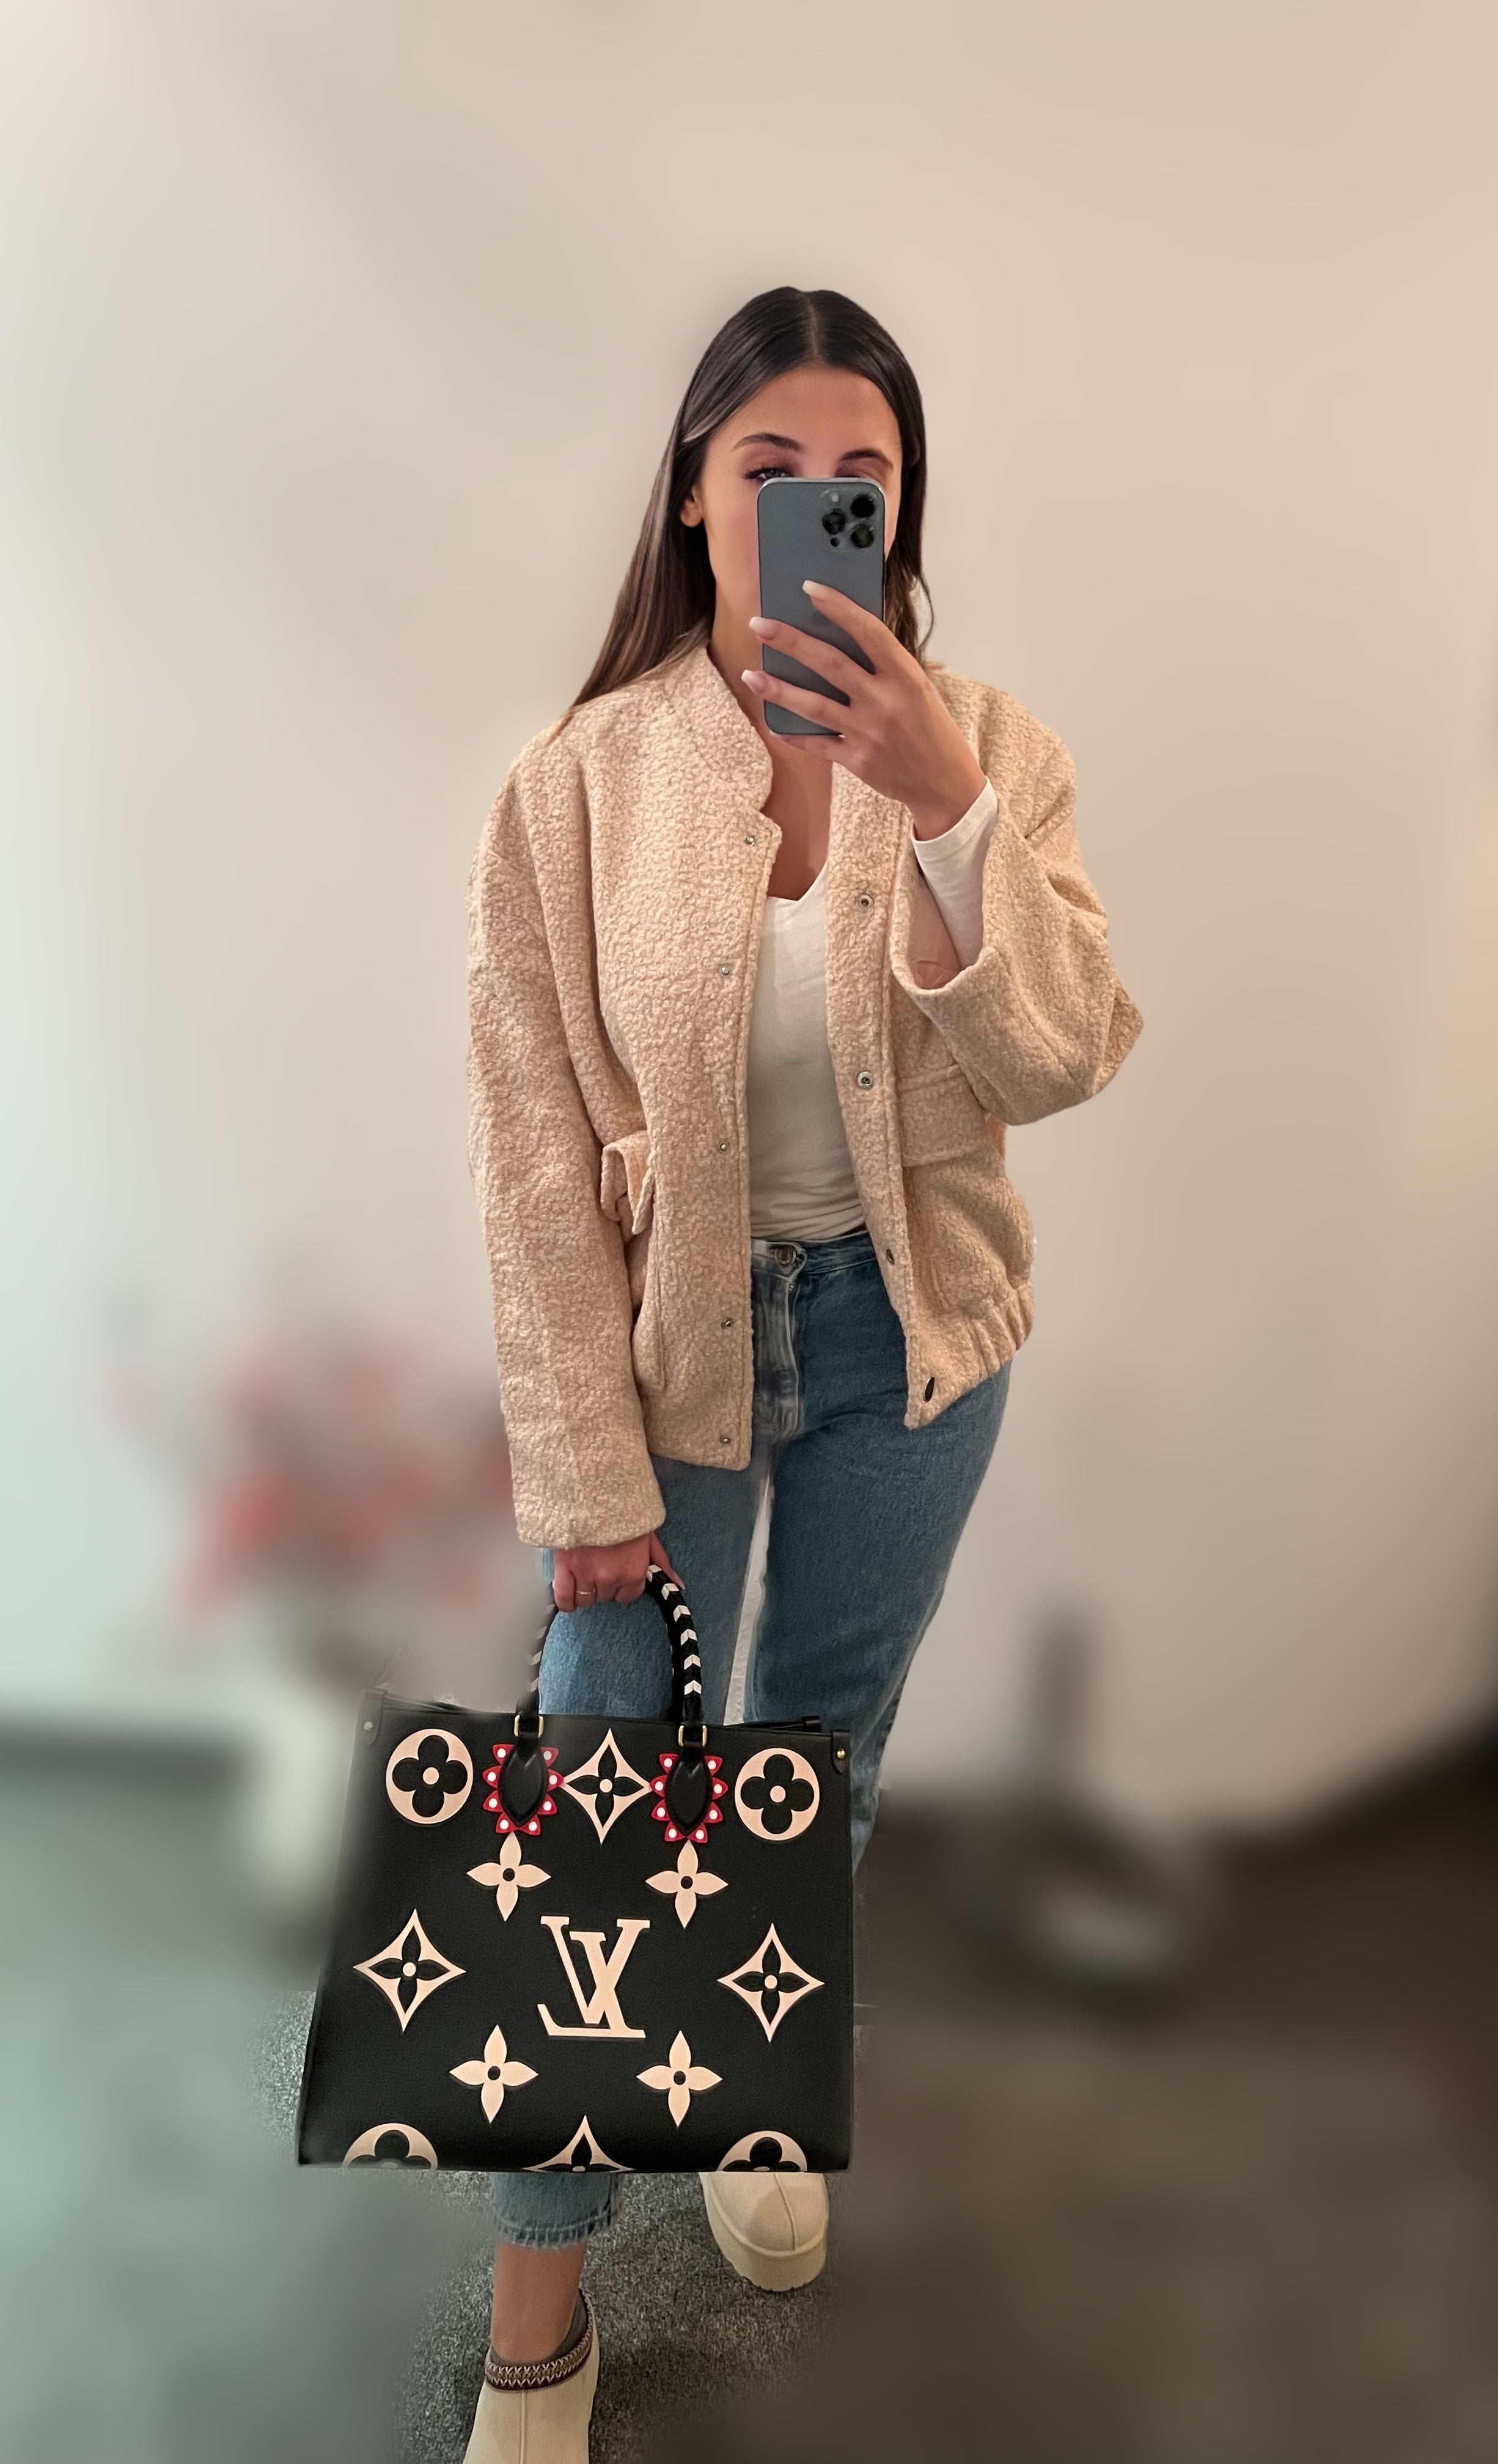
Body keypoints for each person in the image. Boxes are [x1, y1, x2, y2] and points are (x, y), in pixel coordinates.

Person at [462, 284, 1140, 2461]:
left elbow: (1061, 1058)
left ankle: (751, 2101)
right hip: (665, 1349)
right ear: (693, 494)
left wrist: (946, 814)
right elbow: (531, 1155)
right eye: (769, 470)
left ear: (902, 507)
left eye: (862, 477)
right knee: (596, 1806)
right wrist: (583, 1476)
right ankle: (536, 2329)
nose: (815, 506)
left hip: (906, 1349)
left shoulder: (992, 746)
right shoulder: (578, 783)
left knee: (809, 1762)